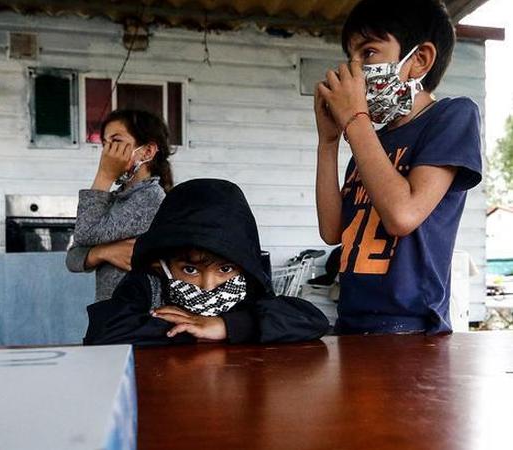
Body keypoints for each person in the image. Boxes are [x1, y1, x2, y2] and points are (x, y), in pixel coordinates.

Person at [314, 0, 482, 334]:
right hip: (350, 322)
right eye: (351, 57)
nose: (354, 71)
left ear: (419, 60)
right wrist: (328, 143)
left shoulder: (452, 116)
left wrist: (355, 120)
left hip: (412, 329)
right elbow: (333, 231)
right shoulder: (369, 144)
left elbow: (402, 215)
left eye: (369, 53)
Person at [84, 179, 329, 345]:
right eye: (190, 270)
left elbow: (311, 320)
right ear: (162, 265)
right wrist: (190, 330)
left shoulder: (246, 288)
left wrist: (225, 327)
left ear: (243, 265)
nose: (209, 285)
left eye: (225, 269)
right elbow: (103, 330)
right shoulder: (149, 285)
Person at [67, 109, 173, 302]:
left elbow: (85, 233)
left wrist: (104, 175)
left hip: (137, 320)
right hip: (113, 316)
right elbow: (73, 257)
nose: (108, 153)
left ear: (148, 151)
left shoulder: (150, 198)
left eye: (116, 142)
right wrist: (105, 252)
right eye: (105, 144)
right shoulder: (118, 197)